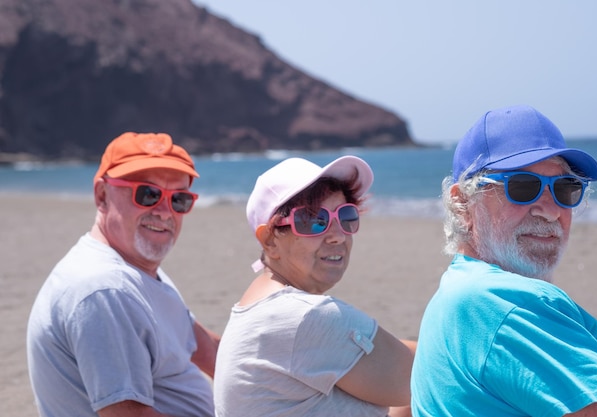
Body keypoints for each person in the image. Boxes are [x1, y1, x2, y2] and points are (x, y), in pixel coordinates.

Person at [411, 105, 597, 416]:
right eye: (522, 187)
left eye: (565, 189)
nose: (551, 211)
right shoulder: (500, 302)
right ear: (463, 204)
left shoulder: (458, 288)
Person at [27, 132, 220, 417]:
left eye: (179, 199)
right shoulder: (106, 289)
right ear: (102, 195)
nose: (165, 212)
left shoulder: (135, 269)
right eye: (148, 194)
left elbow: (202, 348)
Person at [213, 156, 416, 417]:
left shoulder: (258, 306)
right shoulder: (305, 316)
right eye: (313, 220)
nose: (338, 235)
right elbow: (427, 377)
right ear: (270, 240)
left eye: (346, 216)